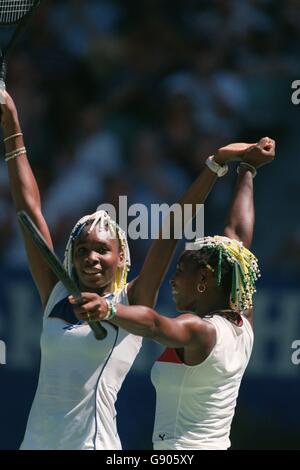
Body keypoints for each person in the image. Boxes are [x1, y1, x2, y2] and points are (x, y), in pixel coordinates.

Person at [1, 90, 258, 450]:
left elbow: (171, 231)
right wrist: (12, 124)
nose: (91, 257)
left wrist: (214, 167)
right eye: (83, 249)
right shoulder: (57, 293)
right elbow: (29, 211)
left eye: (103, 250)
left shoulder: (132, 299)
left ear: (122, 258)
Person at [70, 137, 275, 450]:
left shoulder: (200, 329)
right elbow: (238, 236)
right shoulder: (242, 319)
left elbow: (153, 324)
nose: (172, 280)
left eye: (180, 272)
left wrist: (109, 309)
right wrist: (247, 169)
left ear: (204, 280)